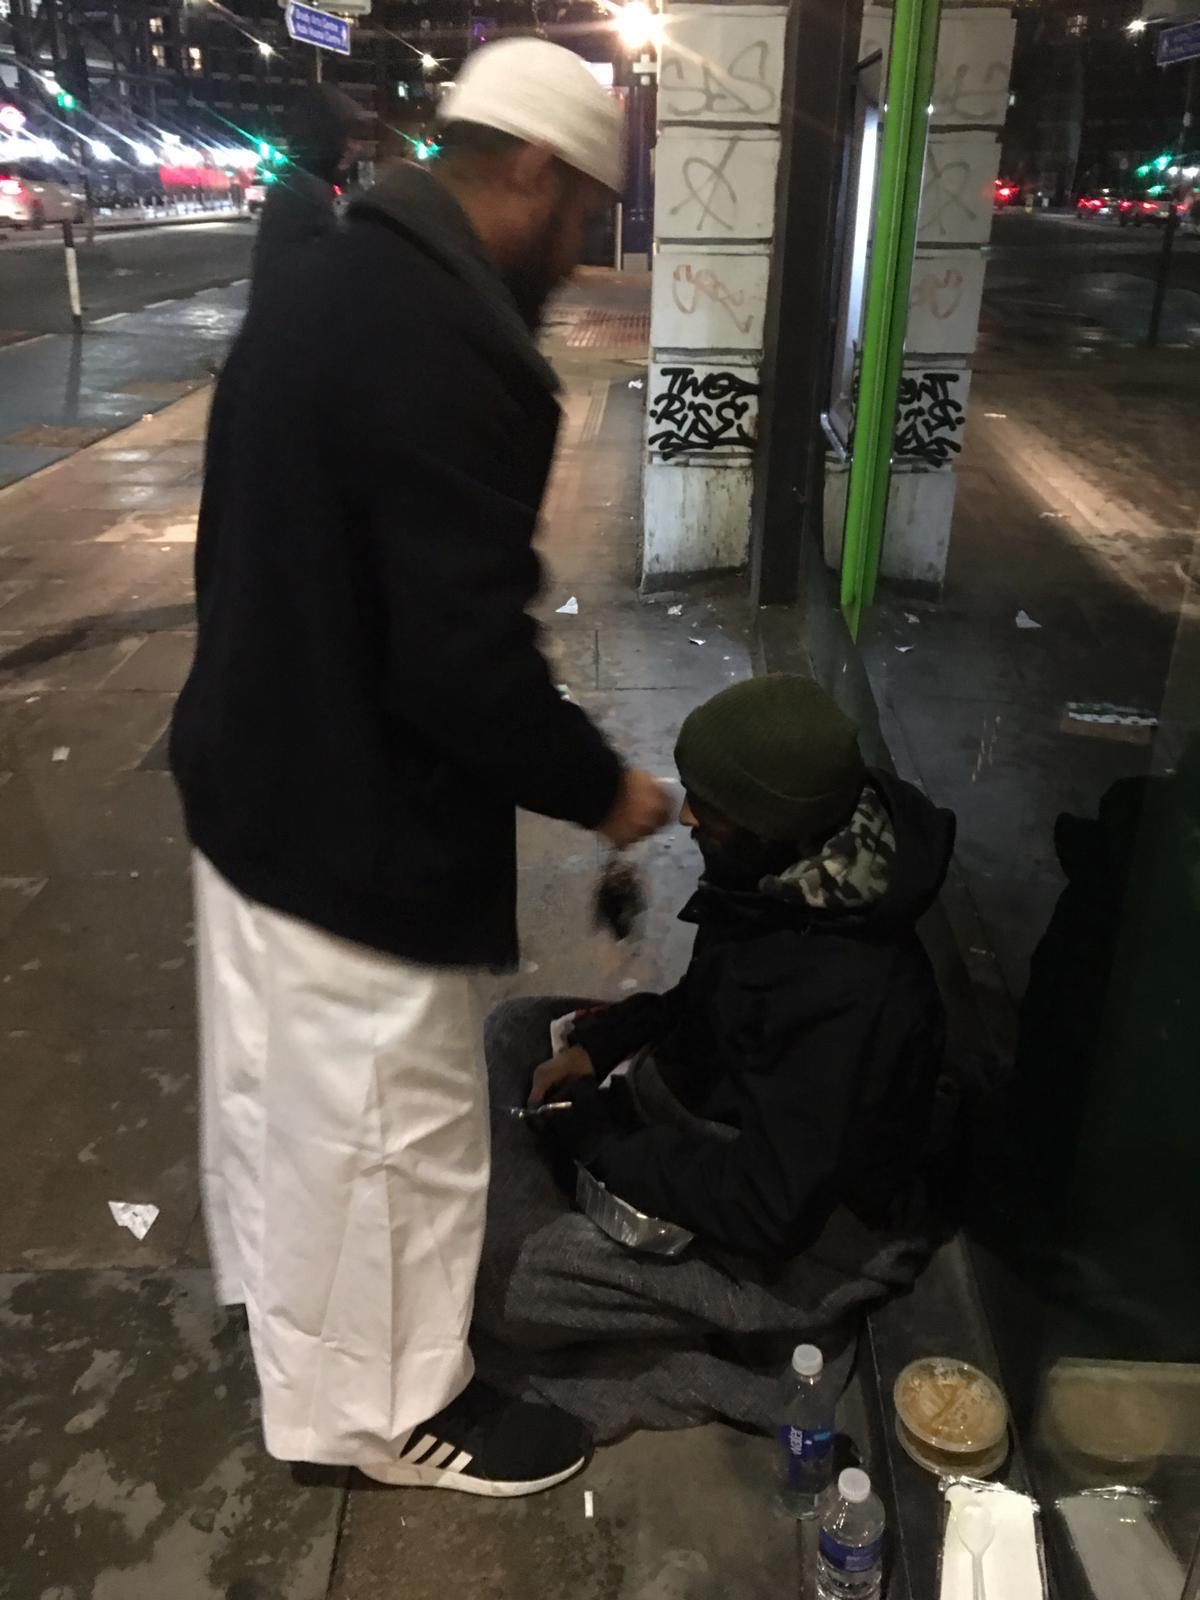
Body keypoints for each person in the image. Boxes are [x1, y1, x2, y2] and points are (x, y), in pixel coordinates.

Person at [170, 39, 671, 1497]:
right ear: (532, 169)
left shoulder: (327, 269)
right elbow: (459, 657)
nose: (578, 256)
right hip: (352, 824)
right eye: (582, 218)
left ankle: (307, 1354)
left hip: (253, 779)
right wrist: (602, 788)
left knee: (289, 1113)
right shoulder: (450, 346)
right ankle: (388, 1412)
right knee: (396, 1142)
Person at [475, 675, 958, 1439]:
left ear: (776, 827)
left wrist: (602, 1144)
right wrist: (600, 1046)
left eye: (713, 808)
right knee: (514, 1029)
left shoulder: (854, 997)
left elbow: (767, 1208)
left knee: (507, 1277)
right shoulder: (785, 883)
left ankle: (586, 1235)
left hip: (805, 1248)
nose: (690, 817)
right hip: (703, 1118)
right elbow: (701, 1001)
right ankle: (544, 1179)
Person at [249, 83, 369, 292]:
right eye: (348, 137)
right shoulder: (305, 195)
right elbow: (319, 282)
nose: (355, 147)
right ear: (325, 137)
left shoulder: (301, 186)